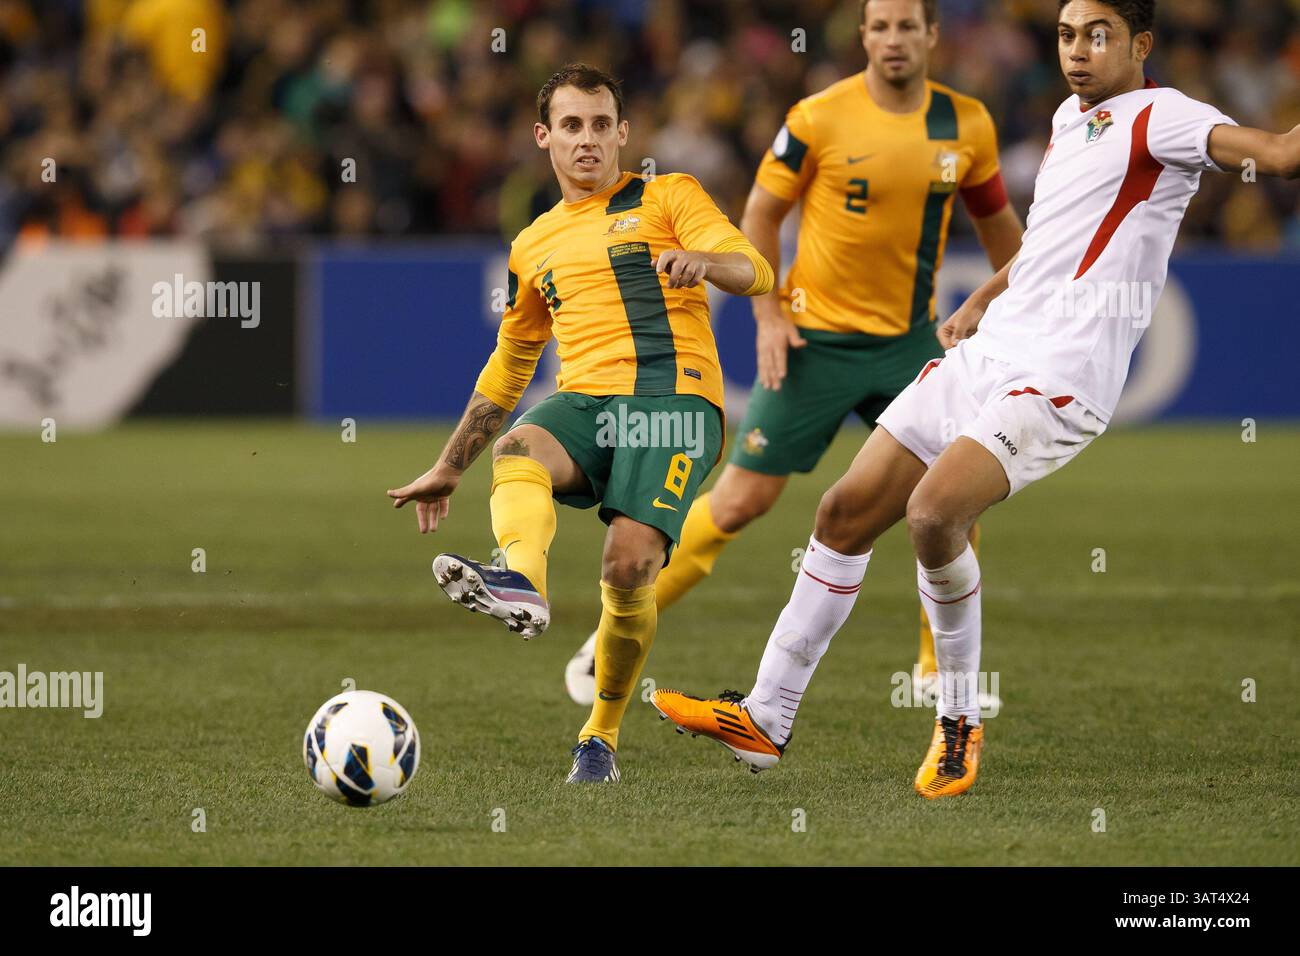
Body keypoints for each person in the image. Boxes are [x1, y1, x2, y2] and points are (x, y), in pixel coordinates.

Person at [650, 0, 1299, 798]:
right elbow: (1048, 246)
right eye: (1066, 35)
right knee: (842, 514)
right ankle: (765, 717)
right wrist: (985, 296)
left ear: (1142, 44)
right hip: (990, 352)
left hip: (1060, 375)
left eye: (1098, 36)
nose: (1078, 52)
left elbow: (1278, 153)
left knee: (932, 513)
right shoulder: (1069, 118)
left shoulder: (1162, 116)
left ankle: (958, 721)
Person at [563, 0, 1023, 707]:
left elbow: (1002, 237)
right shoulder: (818, 117)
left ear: (932, 35)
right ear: (863, 36)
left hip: (910, 345)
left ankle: (936, 672)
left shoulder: (968, 125)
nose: (894, 39)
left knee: (952, 494)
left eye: (908, 26)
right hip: (814, 343)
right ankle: (608, 636)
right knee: (743, 499)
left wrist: (1001, 310)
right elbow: (761, 213)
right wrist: (769, 314)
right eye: (880, 26)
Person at [387, 64, 774, 784]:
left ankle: (599, 737)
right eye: (571, 126)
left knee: (627, 565)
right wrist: (449, 464)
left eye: (601, 125)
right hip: (589, 404)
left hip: (674, 406)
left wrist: (707, 262)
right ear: (544, 137)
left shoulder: (669, 195)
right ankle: (519, 579)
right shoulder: (532, 244)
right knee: (518, 443)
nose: (588, 140)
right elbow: (509, 365)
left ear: (623, 133)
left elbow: (755, 269)